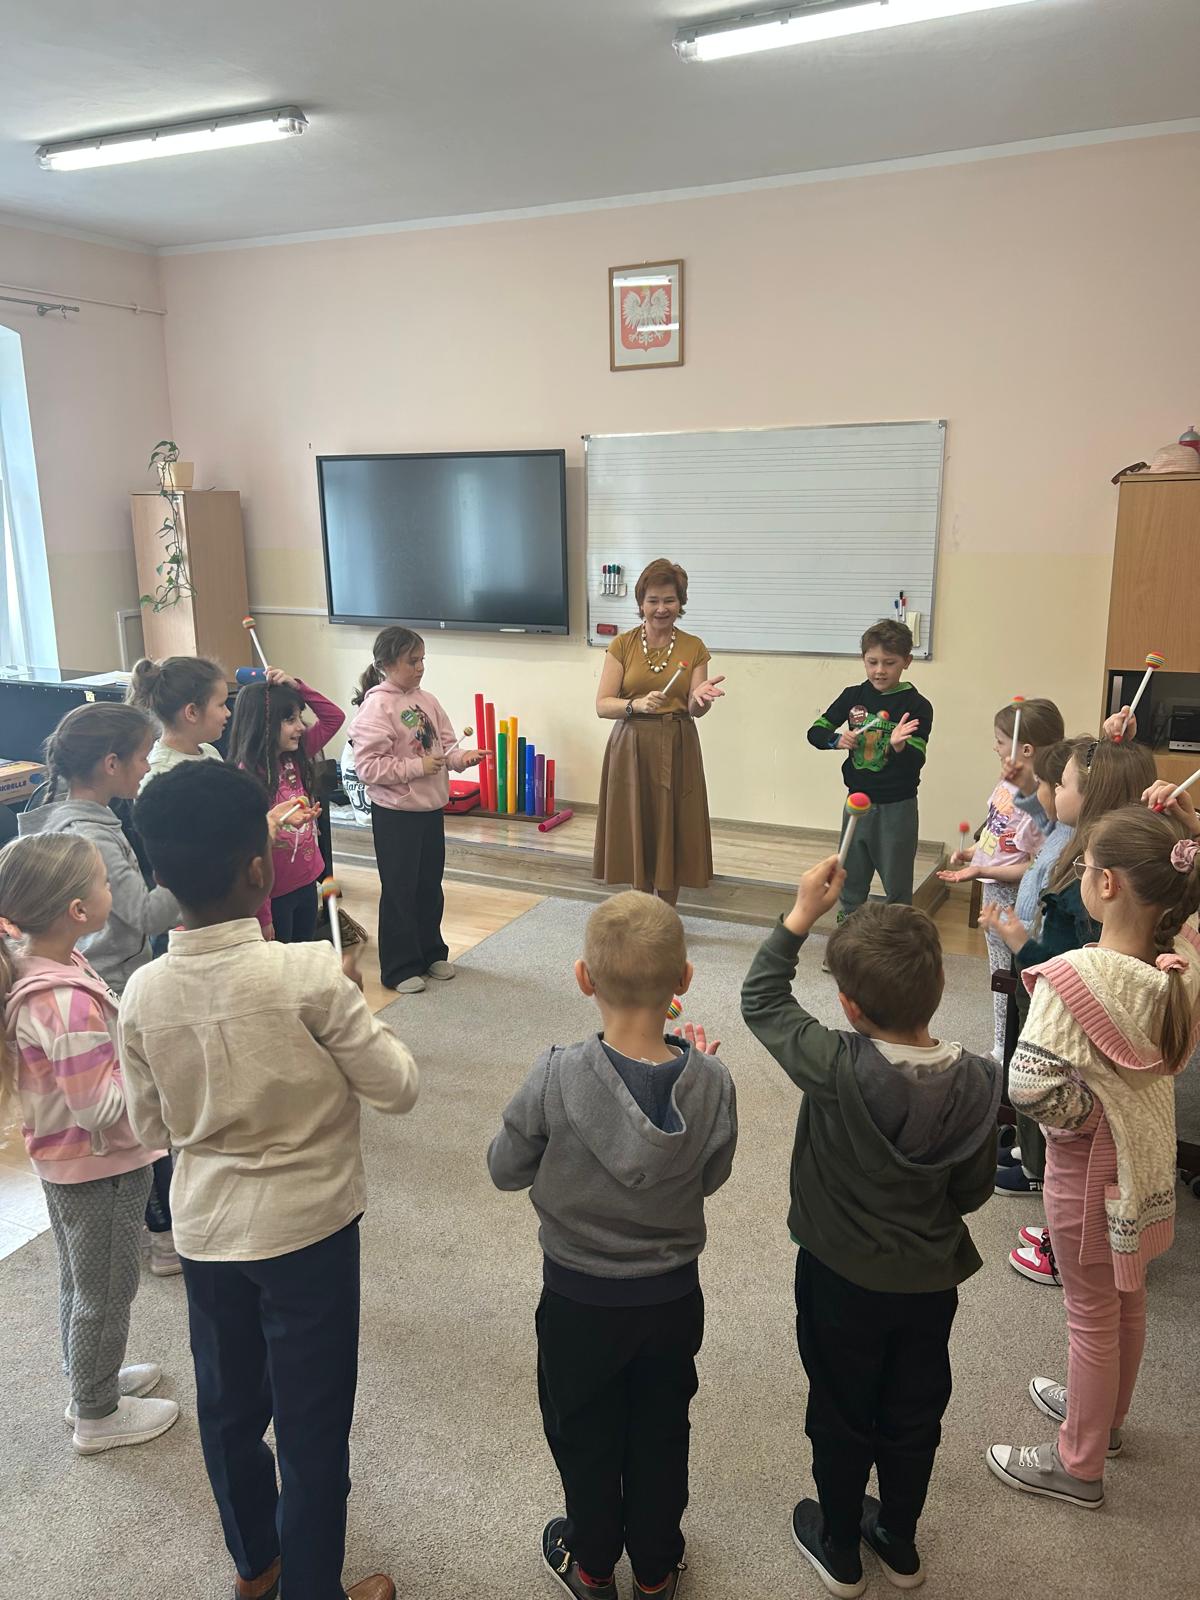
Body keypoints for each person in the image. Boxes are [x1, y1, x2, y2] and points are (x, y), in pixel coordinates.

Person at [119, 760, 419, 1600]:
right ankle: (313, 1589)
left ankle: (257, 1566)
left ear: (159, 877)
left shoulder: (141, 993)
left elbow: (148, 1130)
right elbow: (398, 1088)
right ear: (260, 870)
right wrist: (356, 1007)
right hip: (310, 1229)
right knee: (313, 1423)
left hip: (206, 1231)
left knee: (227, 1407)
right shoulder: (310, 975)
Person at [742, 858, 999, 1598]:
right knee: (914, 1408)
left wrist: (800, 916)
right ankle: (899, 1540)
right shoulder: (981, 1081)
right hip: (929, 1285)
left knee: (840, 1406)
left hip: (838, 1278)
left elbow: (762, 999)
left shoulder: (835, 1064)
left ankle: (839, 1546)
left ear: (850, 1007)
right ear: (940, 984)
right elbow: (974, 1191)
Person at [488, 891, 736, 1600]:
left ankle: (593, 1563)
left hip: (578, 1298)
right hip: (670, 1298)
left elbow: (504, 1170)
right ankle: (655, 1571)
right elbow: (711, 1177)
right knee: (661, 1431)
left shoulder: (554, 1074)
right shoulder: (712, 1081)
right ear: (683, 980)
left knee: (583, 1433)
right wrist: (698, 1078)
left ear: (583, 978)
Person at [988, 802, 1200, 1509]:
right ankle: (1103, 1419)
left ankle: (1077, 1464)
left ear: (1106, 884)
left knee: (1090, 1313)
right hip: (1145, 1164)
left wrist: (1087, 1121)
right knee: (1126, 1293)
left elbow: (1029, 1083)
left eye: (1083, 866)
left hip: (1089, 1170)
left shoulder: (1076, 975)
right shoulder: (1181, 969)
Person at [0, 834, 179, 1454]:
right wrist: (149, 1066)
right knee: (103, 1290)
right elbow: (98, 1106)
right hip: (100, 1165)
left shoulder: (49, 966)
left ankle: (89, 1381)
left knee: (84, 1282)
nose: (113, 890)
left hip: (70, 1160)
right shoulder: (63, 1003)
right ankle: (98, 1414)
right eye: (105, 882)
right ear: (77, 910)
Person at [980, 736, 1156, 1284]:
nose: (1053, 790)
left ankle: (1067, 1249)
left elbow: (1065, 965)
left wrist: (1020, 941)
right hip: (1063, 1006)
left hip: (1069, 1025)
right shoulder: (1084, 847)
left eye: (1062, 782)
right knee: (1071, 1157)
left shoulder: (1092, 878)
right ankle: (1060, 1222)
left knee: (1076, 1159)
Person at [346, 626, 486, 993]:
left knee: (428, 886)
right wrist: (416, 767)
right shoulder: (376, 707)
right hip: (396, 814)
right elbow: (368, 768)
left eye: (422, 659)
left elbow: (445, 747)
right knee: (400, 890)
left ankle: (431, 953)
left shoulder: (427, 700)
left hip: (430, 809)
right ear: (386, 664)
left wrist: (462, 758)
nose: (420, 667)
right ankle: (398, 967)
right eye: (412, 661)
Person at [18, 702, 180, 991]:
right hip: (111, 981)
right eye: (143, 758)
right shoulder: (91, 837)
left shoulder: (86, 818)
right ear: (112, 764)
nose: (147, 767)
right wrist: (191, 870)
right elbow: (147, 916)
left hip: (105, 972)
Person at [937, 697, 1065, 1062]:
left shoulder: (1042, 800)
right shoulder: (1007, 785)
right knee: (999, 976)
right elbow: (997, 834)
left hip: (1014, 898)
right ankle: (1002, 1043)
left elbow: (1036, 866)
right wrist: (974, 853)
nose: (994, 746)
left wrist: (982, 870)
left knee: (1012, 979)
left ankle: (1007, 1050)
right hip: (993, 888)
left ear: (1026, 749)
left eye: (1000, 740)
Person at [593, 559, 726, 906]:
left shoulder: (694, 647)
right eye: (653, 600)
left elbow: (695, 708)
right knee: (636, 828)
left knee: (673, 830)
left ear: (680, 603)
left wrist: (700, 699)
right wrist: (636, 705)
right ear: (641, 603)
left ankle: (666, 915)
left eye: (669, 600)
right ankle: (642, 914)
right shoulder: (622, 645)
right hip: (631, 746)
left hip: (678, 744)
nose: (661, 608)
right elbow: (603, 704)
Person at [806, 620, 932, 922]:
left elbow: (916, 760)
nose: (879, 670)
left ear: (907, 661)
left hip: (898, 806)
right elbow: (815, 732)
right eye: (872, 662)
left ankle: (897, 938)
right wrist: (836, 740)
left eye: (889, 663)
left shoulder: (917, 705)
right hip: (857, 802)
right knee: (850, 875)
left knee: (897, 882)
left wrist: (899, 746)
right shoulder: (852, 696)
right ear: (863, 659)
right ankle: (848, 936)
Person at [226, 667, 343, 942]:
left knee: (303, 953)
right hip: (274, 895)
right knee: (283, 960)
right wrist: (263, 916)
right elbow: (252, 853)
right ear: (263, 724)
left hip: (306, 881)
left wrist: (298, 686)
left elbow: (334, 717)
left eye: (300, 717)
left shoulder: (296, 755)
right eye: (290, 720)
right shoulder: (247, 778)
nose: (301, 727)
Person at [128, 654, 231, 783]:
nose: (228, 713)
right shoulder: (160, 775)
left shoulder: (210, 752)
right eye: (221, 705)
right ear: (192, 712)